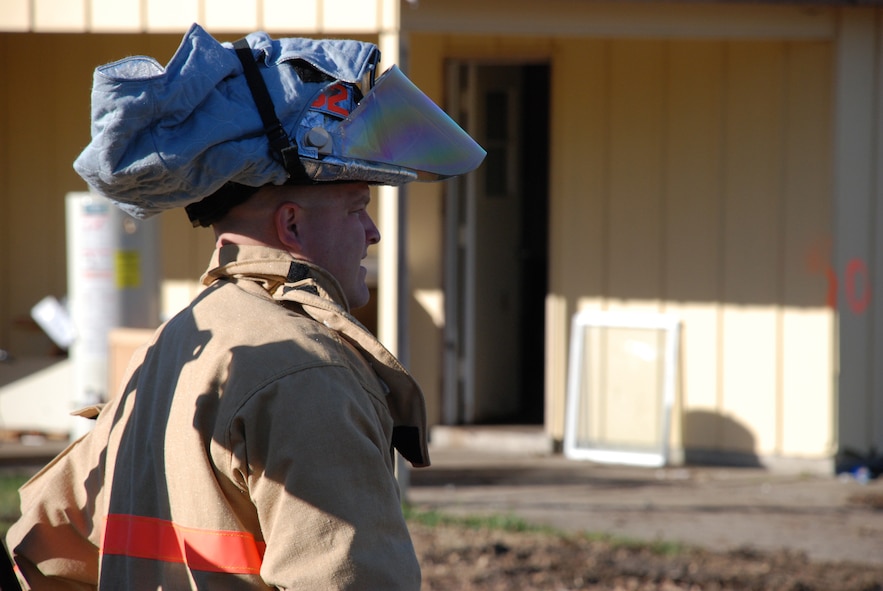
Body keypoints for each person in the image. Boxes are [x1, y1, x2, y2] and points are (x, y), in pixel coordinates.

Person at [6, 23, 484, 590]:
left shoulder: (172, 344)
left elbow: (45, 542)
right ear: (292, 225)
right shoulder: (308, 373)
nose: (373, 232)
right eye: (357, 208)